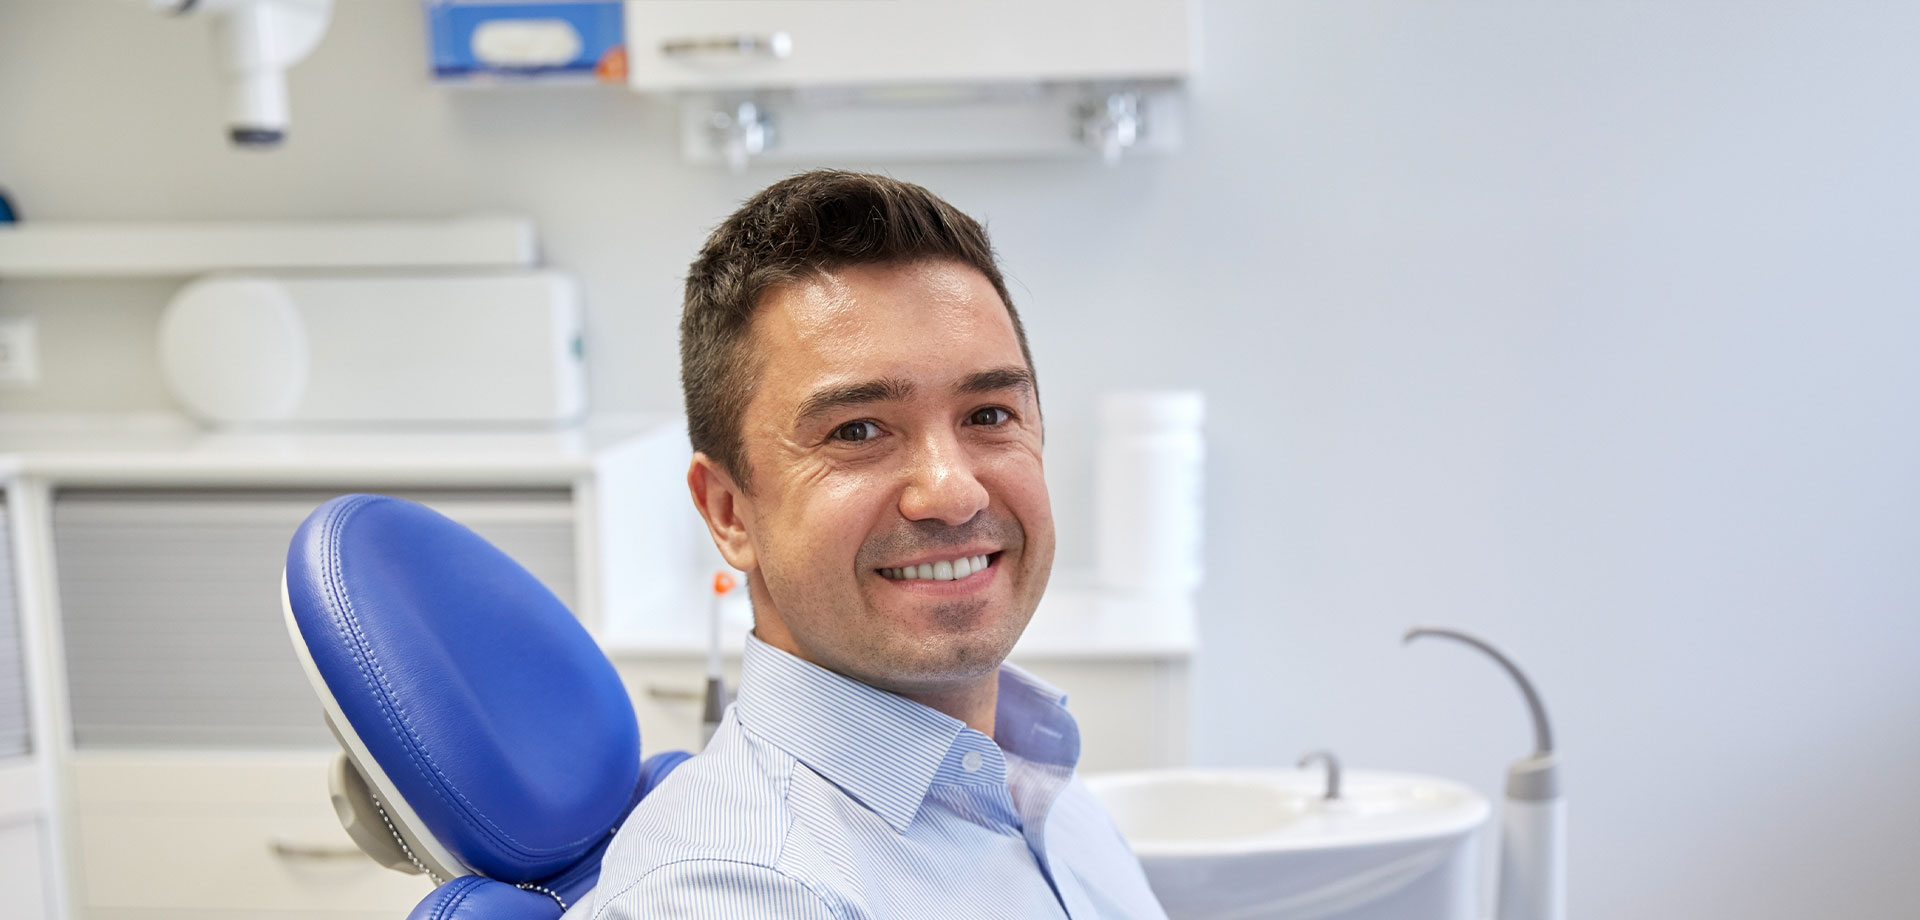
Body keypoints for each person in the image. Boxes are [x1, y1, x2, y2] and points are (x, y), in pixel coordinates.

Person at [585, 171, 1166, 919]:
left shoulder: (1025, 776)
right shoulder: (745, 891)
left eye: (989, 414)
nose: (954, 492)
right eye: (857, 431)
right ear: (728, 510)